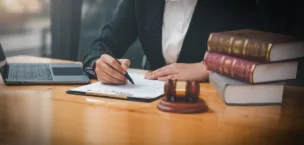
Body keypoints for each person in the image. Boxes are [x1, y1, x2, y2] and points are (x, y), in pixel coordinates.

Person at [83, 0, 268, 85]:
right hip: (151, 107)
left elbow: (258, 56)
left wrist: (206, 68)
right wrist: (99, 63)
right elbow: (106, 40)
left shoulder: (239, 5)